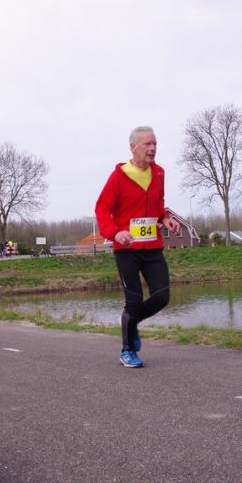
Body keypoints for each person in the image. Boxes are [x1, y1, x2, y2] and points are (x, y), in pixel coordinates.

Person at [95, 126, 180, 368]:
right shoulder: (119, 176)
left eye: (155, 144)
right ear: (133, 147)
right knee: (134, 301)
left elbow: (158, 204)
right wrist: (115, 232)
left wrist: (165, 218)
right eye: (147, 144)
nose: (152, 148)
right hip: (127, 250)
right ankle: (127, 350)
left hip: (152, 248)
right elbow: (102, 209)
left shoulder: (159, 173)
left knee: (162, 296)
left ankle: (130, 322)